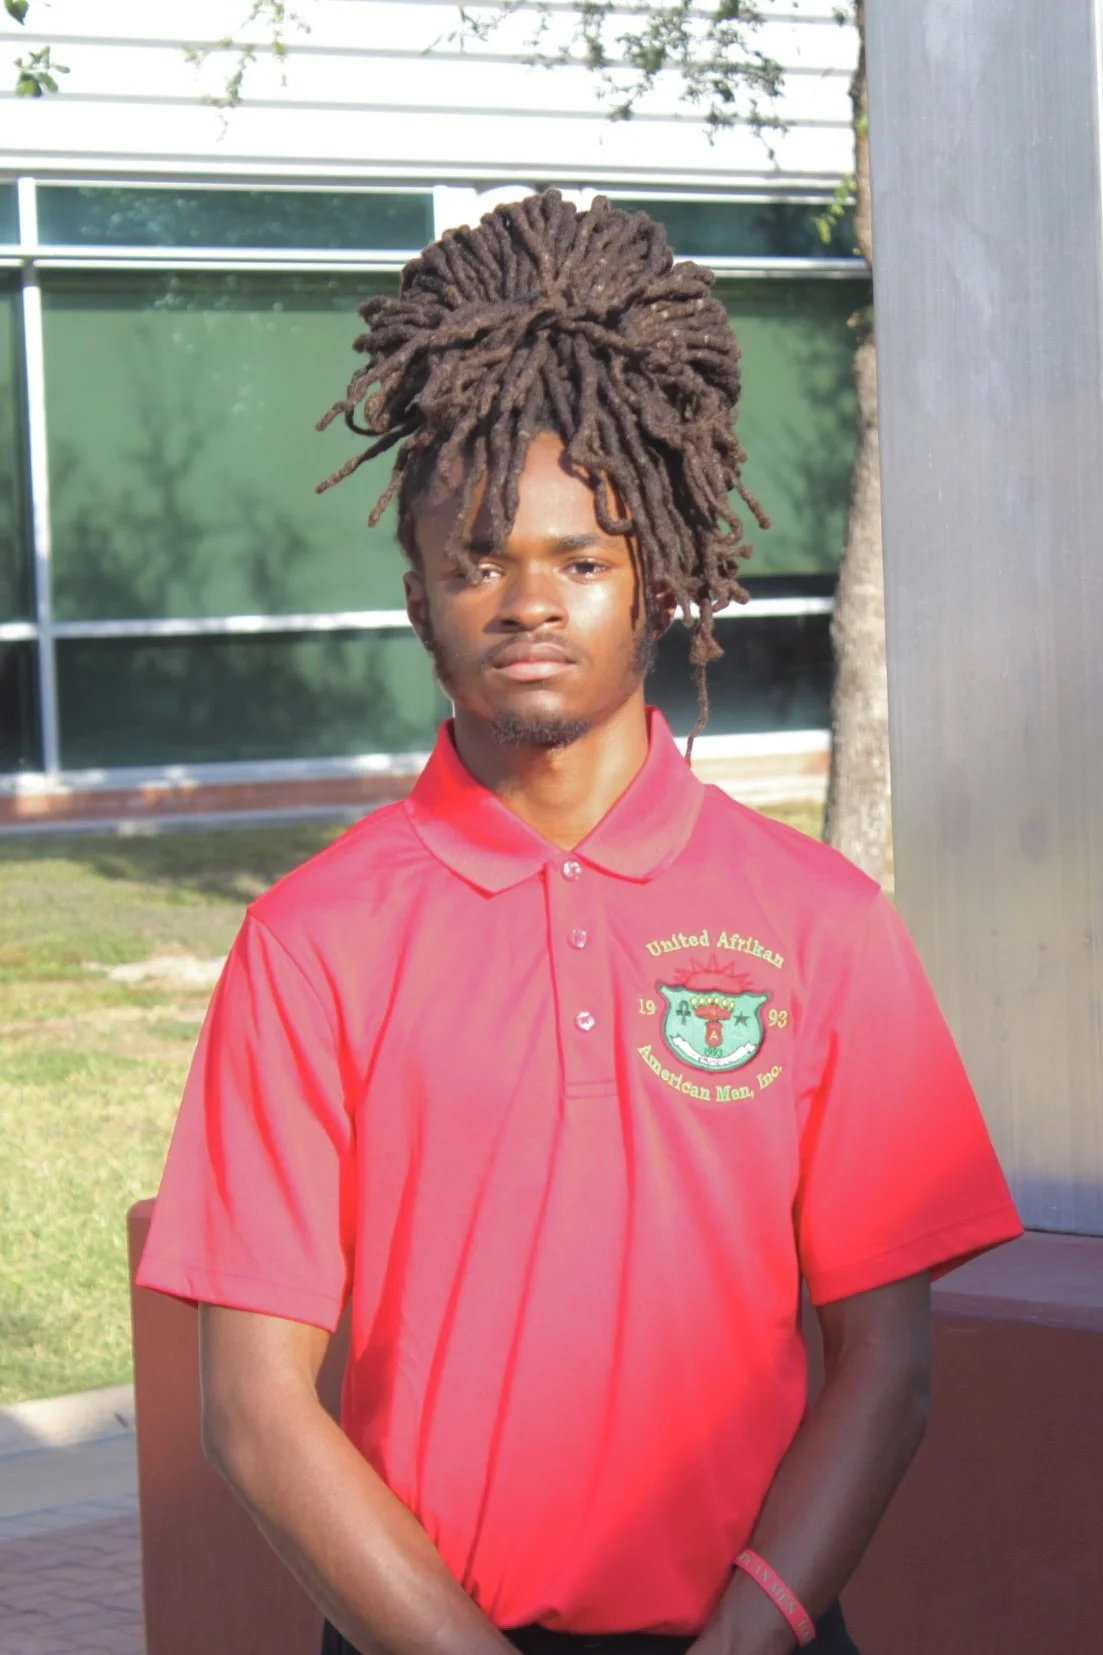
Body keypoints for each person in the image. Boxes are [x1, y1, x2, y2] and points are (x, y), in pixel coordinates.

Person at [136, 191, 1022, 1655]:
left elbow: (887, 1362)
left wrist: (753, 1633)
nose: (528, 602)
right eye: (477, 561)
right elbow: (250, 1408)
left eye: (583, 559)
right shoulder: (313, 940)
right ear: (418, 597)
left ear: (659, 577)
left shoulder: (822, 926)